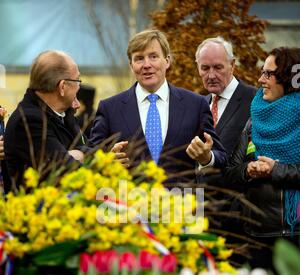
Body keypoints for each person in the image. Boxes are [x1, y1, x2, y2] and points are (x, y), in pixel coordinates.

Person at [89, 29, 227, 186]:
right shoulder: (109, 108)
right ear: (131, 65)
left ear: (167, 61)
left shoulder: (195, 105)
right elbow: (91, 157)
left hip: (182, 205)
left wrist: (207, 158)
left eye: (153, 57)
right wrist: (106, 161)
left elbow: (221, 157)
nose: (147, 65)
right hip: (127, 204)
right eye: (139, 59)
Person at [224, 47, 300, 270]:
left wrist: (276, 169)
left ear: (288, 78)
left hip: (295, 235)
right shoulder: (255, 119)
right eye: (262, 72)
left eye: (269, 74)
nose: (260, 79)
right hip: (257, 235)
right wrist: (248, 171)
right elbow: (232, 171)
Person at [4, 50, 88, 192]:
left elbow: (92, 148)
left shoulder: (64, 113)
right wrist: (77, 156)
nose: (79, 86)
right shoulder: (28, 121)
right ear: (62, 87)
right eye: (77, 80)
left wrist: (79, 154)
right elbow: (67, 169)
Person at [195, 36, 256, 163]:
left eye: (218, 67)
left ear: (232, 65)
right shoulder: (199, 105)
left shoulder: (255, 100)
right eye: (205, 68)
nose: (211, 76)